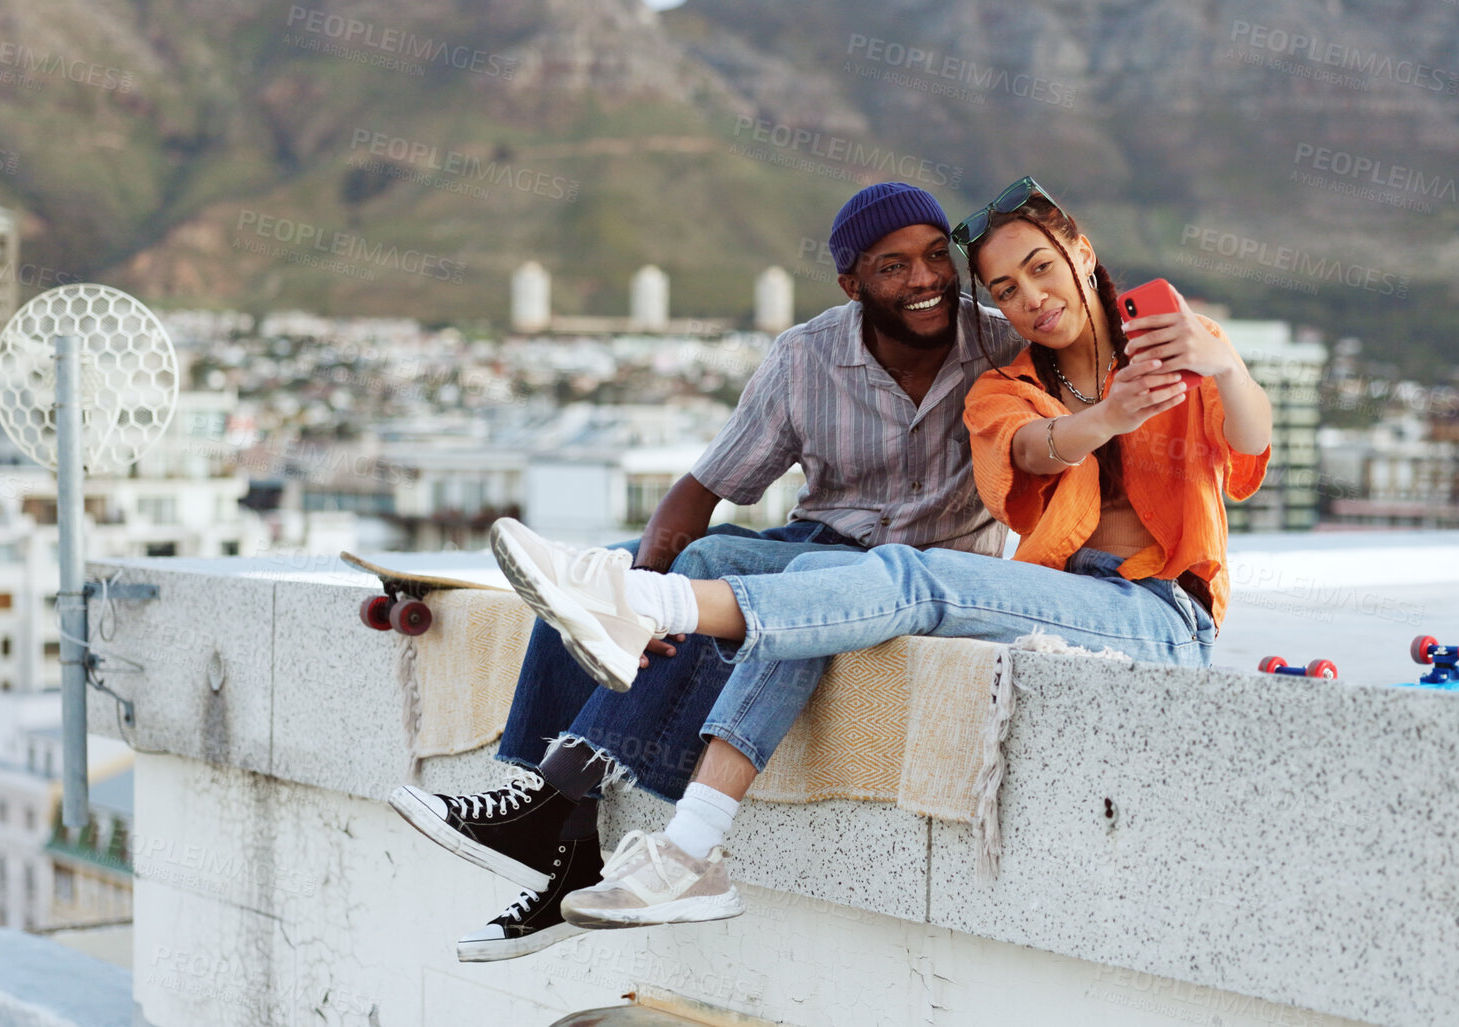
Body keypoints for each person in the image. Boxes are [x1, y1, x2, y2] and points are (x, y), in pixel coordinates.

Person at [489, 175, 1274, 929]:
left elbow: (1246, 452)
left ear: (1081, 251)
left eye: (1040, 269)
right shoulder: (1004, 380)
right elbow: (1036, 449)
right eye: (1004, 288)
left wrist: (1226, 367)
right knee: (823, 585)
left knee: (905, 572)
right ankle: (683, 845)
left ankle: (635, 605)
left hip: (1160, 614)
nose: (1030, 298)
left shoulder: (1173, 352)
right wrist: (1106, 415)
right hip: (1064, 599)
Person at [384, 182, 1025, 961]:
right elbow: (701, 489)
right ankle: (563, 840)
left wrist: (653, 603)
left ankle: (552, 799)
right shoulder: (806, 357)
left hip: (934, 578)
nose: (924, 279)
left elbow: (1087, 361)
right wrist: (640, 598)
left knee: (705, 564)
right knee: (619, 568)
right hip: (820, 546)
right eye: (893, 267)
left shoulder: (1003, 343)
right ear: (851, 284)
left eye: (934, 257)